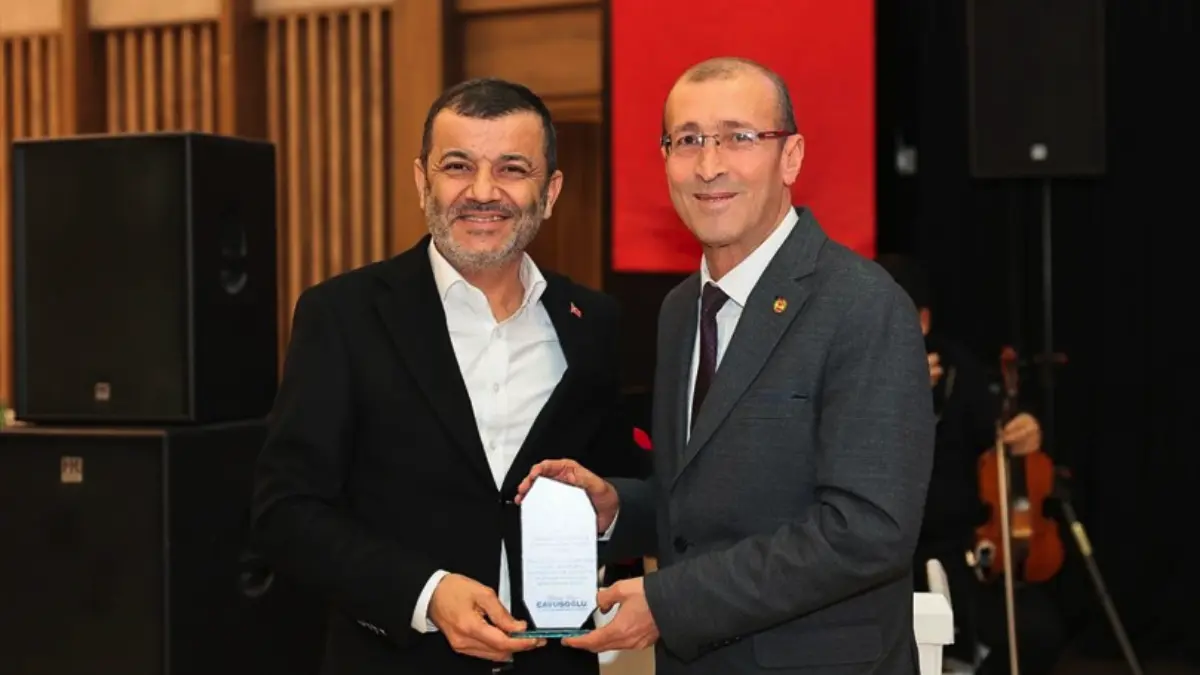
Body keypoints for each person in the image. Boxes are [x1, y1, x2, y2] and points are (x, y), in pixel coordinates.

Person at [516, 57, 936, 674]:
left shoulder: (863, 305)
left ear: (791, 157)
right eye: (687, 141)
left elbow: (867, 531)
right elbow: (702, 505)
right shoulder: (680, 310)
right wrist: (616, 508)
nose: (709, 165)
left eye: (739, 137)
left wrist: (671, 603)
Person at [251, 77, 644, 675]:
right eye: (458, 166)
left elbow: (614, 486)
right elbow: (285, 513)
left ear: (551, 191)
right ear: (422, 181)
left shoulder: (594, 323)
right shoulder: (343, 315)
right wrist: (426, 593)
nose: (482, 192)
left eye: (512, 169)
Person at [875, 253, 1068, 675]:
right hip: (870, 556)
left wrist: (1026, 426)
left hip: (953, 549)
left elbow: (1000, 425)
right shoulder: (845, 371)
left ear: (923, 321)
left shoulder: (959, 368)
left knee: (1035, 632)